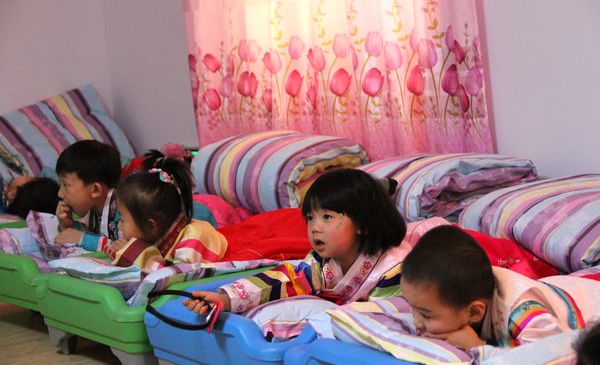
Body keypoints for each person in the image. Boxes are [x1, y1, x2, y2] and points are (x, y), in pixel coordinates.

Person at [183, 168, 407, 316]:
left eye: (327, 217)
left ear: (363, 224)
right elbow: (286, 279)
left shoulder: (393, 270)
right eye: (310, 218)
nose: (315, 227)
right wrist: (225, 299)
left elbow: (388, 320)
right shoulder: (322, 263)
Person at [400, 224, 600, 355]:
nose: (416, 322)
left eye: (426, 315)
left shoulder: (519, 310)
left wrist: (479, 345)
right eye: (412, 308)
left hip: (588, 307)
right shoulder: (464, 290)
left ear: (473, 312)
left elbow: (548, 351)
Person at [105, 153, 228, 270]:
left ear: (151, 226)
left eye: (122, 220)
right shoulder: (157, 235)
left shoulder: (192, 241)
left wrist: (131, 253)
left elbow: (174, 277)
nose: (119, 226)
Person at [53, 140, 122, 252]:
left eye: (66, 185)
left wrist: (82, 239)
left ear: (95, 190)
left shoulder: (125, 210)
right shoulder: (95, 207)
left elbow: (127, 249)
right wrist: (68, 226)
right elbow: (97, 235)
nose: (60, 194)